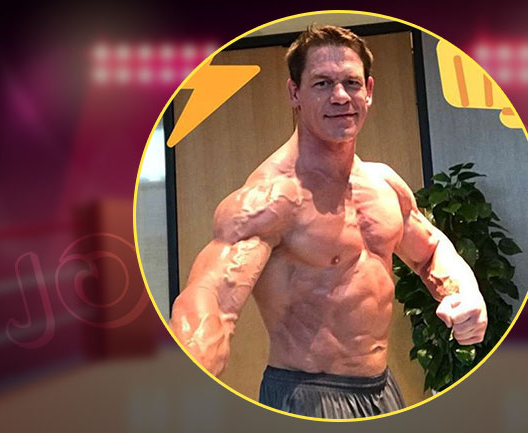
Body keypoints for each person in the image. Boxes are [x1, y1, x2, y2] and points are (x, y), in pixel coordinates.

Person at [169, 24, 487, 419]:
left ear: (368, 91)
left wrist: (466, 293)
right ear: (294, 93)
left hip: (382, 390)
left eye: (351, 82)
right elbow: (211, 300)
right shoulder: (270, 200)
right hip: (306, 396)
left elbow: (430, 250)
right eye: (322, 83)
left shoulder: (384, 184)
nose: (340, 96)